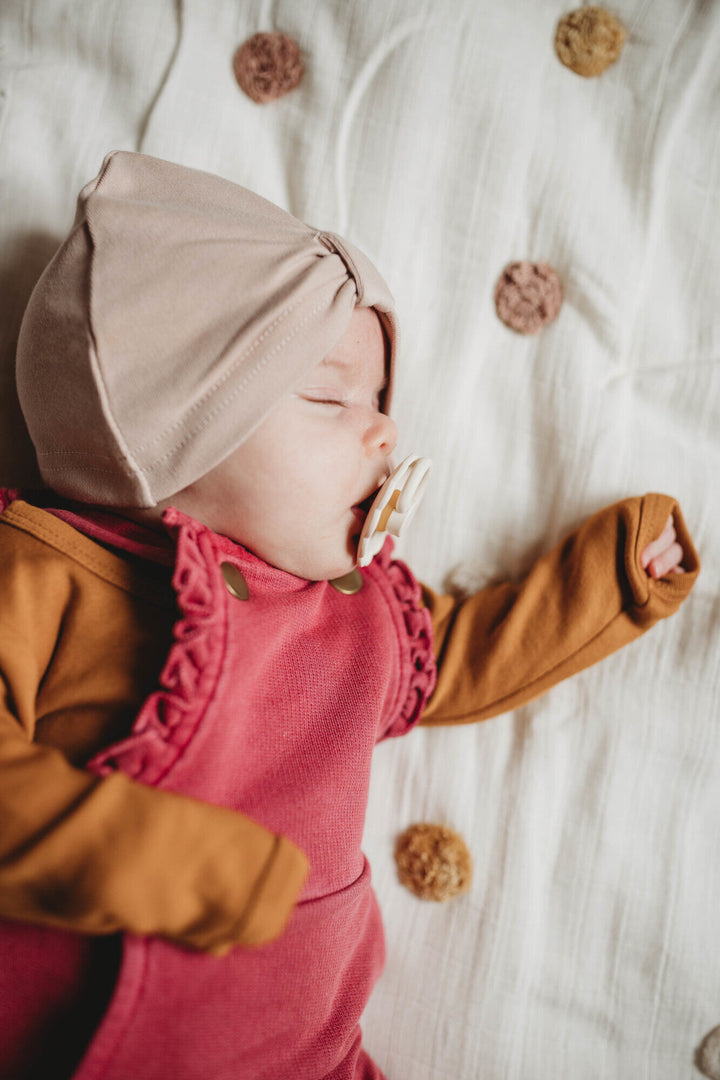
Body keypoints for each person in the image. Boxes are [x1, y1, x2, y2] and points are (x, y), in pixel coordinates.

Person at [0, 151, 699, 1080]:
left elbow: (472, 652)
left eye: (379, 400)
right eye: (329, 397)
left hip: (314, 1055)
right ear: (166, 422)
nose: (385, 432)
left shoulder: (360, 615)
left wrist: (609, 578)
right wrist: (149, 856)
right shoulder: (47, 571)